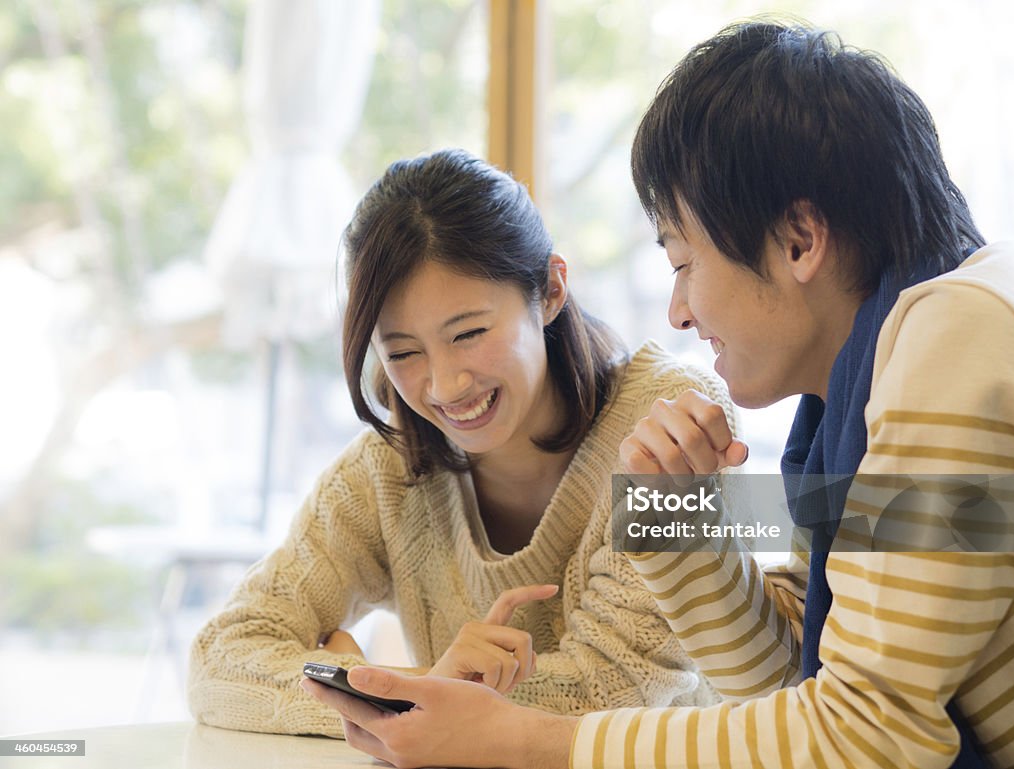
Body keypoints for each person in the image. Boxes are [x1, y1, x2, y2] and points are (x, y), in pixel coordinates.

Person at [301, 21, 1014, 769]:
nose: (679, 310)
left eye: (684, 261)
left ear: (801, 239)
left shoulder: (953, 334)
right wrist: (680, 526)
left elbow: (868, 736)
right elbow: (793, 691)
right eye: (404, 352)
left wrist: (515, 736)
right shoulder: (858, 385)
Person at [188, 148, 736, 736]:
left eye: (469, 333)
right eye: (402, 352)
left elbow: (619, 688)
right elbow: (221, 655)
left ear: (550, 290)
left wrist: (409, 695)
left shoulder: (672, 421)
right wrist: (400, 693)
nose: (445, 385)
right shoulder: (388, 470)